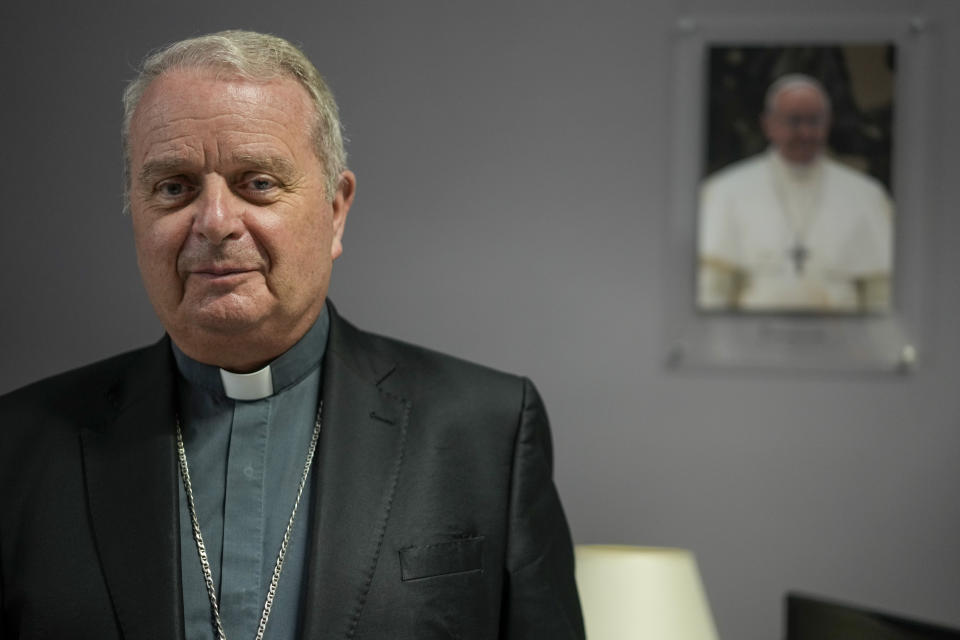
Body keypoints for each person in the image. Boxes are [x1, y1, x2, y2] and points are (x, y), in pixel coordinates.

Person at [0, 30, 584, 640]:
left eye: (258, 183)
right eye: (174, 187)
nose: (216, 222)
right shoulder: (18, 446)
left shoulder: (486, 431)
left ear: (336, 210)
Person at [697, 73, 894, 313]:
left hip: (843, 344)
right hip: (750, 343)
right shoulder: (725, 191)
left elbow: (881, 296)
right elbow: (711, 293)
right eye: (794, 121)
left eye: (814, 121)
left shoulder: (866, 195)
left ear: (828, 123)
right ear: (768, 124)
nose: (805, 133)